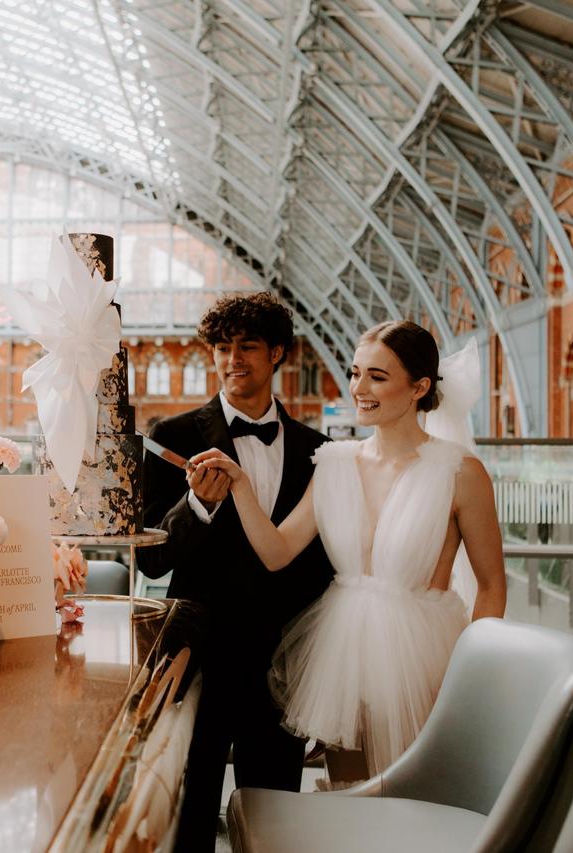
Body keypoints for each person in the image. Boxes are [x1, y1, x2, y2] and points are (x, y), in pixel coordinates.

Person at [193, 320, 506, 779]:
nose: (359, 388)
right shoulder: (335, 462)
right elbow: (277, 552)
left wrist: (473, 675)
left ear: (419, 387)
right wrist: (239, 485)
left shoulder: (460, 472)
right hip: (342, 657)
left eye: (377, 377)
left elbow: (492, 585)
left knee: (415, 800)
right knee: (350, 794)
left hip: (424, 660)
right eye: (356, 373)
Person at [137, 293, 332, 850]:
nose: (232, 359)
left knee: (275, 815)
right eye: (222, 348)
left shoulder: (317, 450)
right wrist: (196, 508)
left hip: (281, 659)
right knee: (190, 806)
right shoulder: (171, 436)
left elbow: (321, 563)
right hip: (198, 653)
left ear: (277, 354)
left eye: (247, 346)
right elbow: (151, 556)